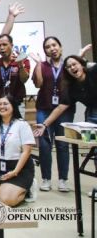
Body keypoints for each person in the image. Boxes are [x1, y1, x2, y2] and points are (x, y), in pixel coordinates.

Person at [31, 37, 85, 192]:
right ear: (45, 51)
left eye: (54, 45)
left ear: (60, 47)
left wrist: (80, 57)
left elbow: (80, 75)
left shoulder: (69, 65)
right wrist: (38, 64)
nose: (51, 48)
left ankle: (63, 179)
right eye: (47, 47)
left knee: (62, 144)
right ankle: (46, 179)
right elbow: (38, 84)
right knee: (45, 145)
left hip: (65, 110)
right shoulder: (43, 65)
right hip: (44, 108)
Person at [0, 96, 35, 207]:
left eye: (5, 104)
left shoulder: (22, 124)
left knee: (6, 199)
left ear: (13, 106)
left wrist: (15, 171)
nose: (2, 106)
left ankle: (27, 190)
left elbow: (26, 151)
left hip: (18, 168)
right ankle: (1, 188)